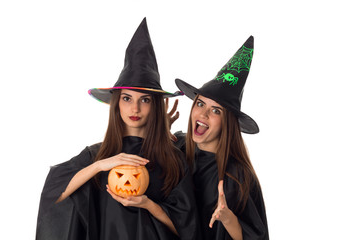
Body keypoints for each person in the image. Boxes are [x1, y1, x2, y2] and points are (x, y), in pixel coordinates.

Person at [36, 18, 199, 240]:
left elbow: (186, 227)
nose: (135, 107)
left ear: (155, 106)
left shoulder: (173, 159)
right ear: (116, 104)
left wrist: (148, 204)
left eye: (145, 100)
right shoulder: (96, 155)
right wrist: (100, 166)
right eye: (127, 98)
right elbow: (56, 193)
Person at [173, 36, 269, 240]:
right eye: (200, 104)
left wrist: (228, 219)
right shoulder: (177, 148)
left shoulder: (238, 176)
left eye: (216, 111)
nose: (204, 114)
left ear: (228, 122)